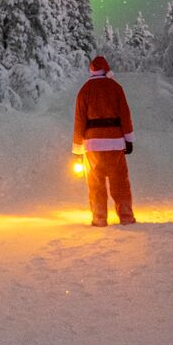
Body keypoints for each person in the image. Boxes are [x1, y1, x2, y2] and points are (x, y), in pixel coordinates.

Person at [72, 53, 136, 226]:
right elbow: (125, 115)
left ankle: (99, 218)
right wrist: (128, 139)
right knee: (120, 181)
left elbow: (79, 120)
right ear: (106, 69)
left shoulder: (85, 90)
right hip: (115, 143)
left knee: (95, 182)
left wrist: (78, 147)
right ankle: (126, 216)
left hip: (92, 145)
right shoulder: (116, 88)